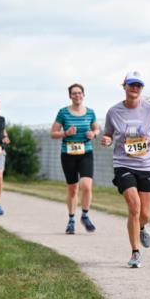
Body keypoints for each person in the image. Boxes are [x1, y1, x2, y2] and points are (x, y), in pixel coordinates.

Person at [101, 71, 150, 268]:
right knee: (134, 207)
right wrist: (107, 139)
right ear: (124, 86)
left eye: (138, 86)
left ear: (141, 89)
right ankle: (135, 252)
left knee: (145, 214)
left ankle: (142, 226)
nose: (135, 89)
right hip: (123, 164)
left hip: (146, 164)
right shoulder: (114, 111)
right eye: (131, 85)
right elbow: (108, 134)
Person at [50, 83, 99, 234]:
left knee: (86, 185)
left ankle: (84, 215)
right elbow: (53, 133)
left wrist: (94, 134)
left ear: (83, 95)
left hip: (86, 153)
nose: (77, 95)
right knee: (72, 189)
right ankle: (71, 220)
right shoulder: (63, 112)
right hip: (68, 154)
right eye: (74, 93)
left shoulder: (90, 112)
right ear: (70, 96)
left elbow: (97, 128)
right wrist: (66, 133)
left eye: (79, 93)